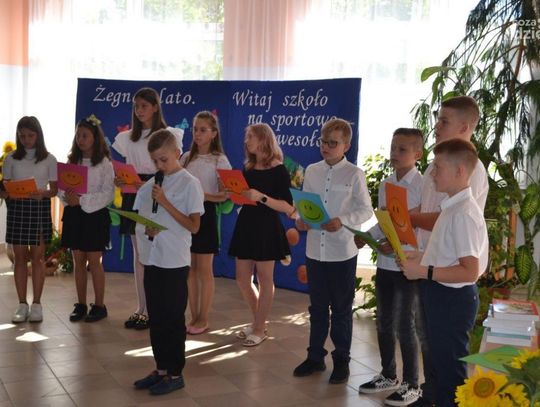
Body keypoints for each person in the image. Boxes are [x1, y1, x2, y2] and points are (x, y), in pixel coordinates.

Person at [409, 95, 489, 407]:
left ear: (459, 172)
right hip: (438, 285)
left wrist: (424, 269)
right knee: (440, 361)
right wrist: (421, 258)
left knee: (451, 368)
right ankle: (435, 396)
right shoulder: (451, 203)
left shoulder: (464, 209)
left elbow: (469, 269)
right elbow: (443, 243)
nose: (431, 174)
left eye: (438, 169)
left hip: (452, 292)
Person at [293, 118, 373, 384]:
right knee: (317, 308)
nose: (325, 147)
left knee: (340, 309)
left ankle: (342, 360)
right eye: (323, 142)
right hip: (315, 251)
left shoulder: (354, 174)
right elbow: (305, 206)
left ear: (346, 146)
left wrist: (343, 220)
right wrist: (301, 220)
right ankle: (315, 357)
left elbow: (366, 210)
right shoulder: (312, 171)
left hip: (342, 253)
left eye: (332, 143)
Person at [132, 129, 204, 395]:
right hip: (153, 257)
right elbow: (142, 218)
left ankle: (175, 373)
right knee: (157, 317)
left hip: (174, 260)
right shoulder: (151, 185)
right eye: (155, 161)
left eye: (164, 159)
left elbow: (194, 226)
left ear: (177, 153)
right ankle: (161, 368)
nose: (159, 165)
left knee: (173, 318)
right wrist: (147, 229)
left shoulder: (190, 183)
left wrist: (165, 202)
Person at [357, 128, 423, 405]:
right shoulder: (386, 183)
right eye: (393, 147)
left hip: (408, 265)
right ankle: (388, 374)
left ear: (417, 154)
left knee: (405, 325)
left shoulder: (422, 185)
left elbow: (418, 228)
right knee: (383, 320)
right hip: (386, 264)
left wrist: (395, 244)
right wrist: (368, 237)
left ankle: (412, 384)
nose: (395, 153)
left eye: (402, 149)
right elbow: (384, 221)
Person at [112, 87, 183, 330]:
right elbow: (126, 169)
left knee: (158, 249)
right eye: (136, 106)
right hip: (134, 193)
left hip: (156, 190)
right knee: (139, 254)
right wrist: (121, 181)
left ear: (155, 107)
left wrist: (148, 184)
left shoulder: (168, 134)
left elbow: (170, 170)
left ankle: (156, 308)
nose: (139, 110)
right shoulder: (127, 138)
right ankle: (141, 307)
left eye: (144, 105)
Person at [228, 123, 295, 347]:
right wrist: (234, 192)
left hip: (267, 228)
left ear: (264, 139)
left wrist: (261, 197)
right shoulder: (248, 167)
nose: (246, 141)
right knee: (242, 278)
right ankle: (259, 321)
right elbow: (245, 198)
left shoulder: (279, 169)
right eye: (246, 136)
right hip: (246, 224)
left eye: (250, 136)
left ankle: (258, 327)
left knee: (265, 279)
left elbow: (288, 207)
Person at [0, 116, 58, 323]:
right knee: (19, 258)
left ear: (38, 135)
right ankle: (22, 304)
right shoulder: (11, 158)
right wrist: (6, 193)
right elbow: (5, 187)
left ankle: (37, 305)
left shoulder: (49, 159)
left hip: (39, 207)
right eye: (22, 136)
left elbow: (54, 190)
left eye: (30, 135)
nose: (26, 140)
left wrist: (42, 193)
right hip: (18, 209)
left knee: (38, 258)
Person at [180, 111, 231, 335]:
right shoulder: (185, 158)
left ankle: (204, 317)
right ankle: (193, 315)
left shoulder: (220, 160)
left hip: (206, 215)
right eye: (195, 129)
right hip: (186, 214)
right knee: (189, 269)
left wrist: (202, 196)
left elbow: (225, 194)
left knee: (204, 269)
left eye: (203, 130)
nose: (197, 134)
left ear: (213, 133)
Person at [60, 116, 115, 323]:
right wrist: (68, 198)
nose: (80, 139)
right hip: (74, 215)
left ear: (95, 138)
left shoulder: (104, 163)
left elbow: (108, 193)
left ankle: (99, 306)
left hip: (95, 216)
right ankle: (81, 304)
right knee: (79, 261)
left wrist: (82, 200)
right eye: (78, 136)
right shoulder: (72, 161)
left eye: (85, 135)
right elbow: (63, 188)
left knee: (94, 261)